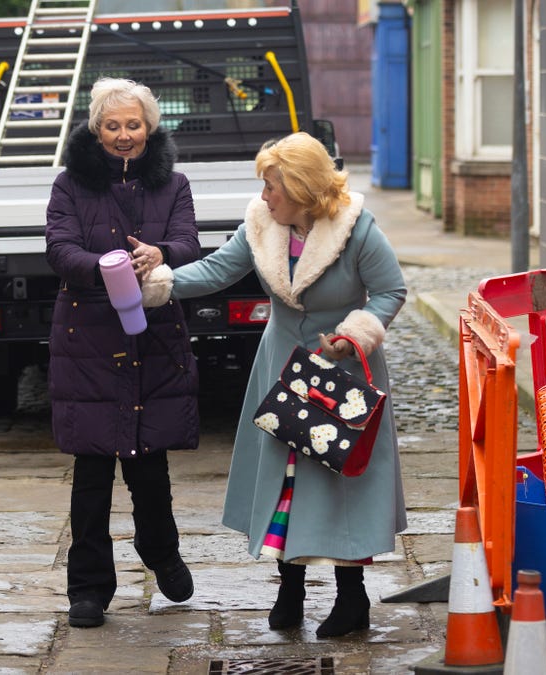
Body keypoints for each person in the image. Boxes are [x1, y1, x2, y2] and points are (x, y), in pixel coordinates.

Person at [142, 131, 408, 638]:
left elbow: (390, 291)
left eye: (272, 187)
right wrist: (162, 282)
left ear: (303, 189)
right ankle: (290, 590)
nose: (263, 196)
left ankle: (353, 600)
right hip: (282, 366)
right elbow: (219, 268)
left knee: (338, 483)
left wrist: (355, 336)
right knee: (286, 479)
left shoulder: (357, 227)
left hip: (341, 371)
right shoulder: (263, 222)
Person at [45, 77, 201, 628]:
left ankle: (160, 552)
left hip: (152, 337)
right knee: (91, 476)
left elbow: (188, 242)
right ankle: (87, 589)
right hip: (87, 341)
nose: (123, 135)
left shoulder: (174, 183)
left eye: (133, 124)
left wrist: (160, 254)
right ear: (96, 128)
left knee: (149, 465)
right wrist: (105, 267)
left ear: (149, 127)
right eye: (112, 126)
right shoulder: (70, 184)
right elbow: (59, 249)